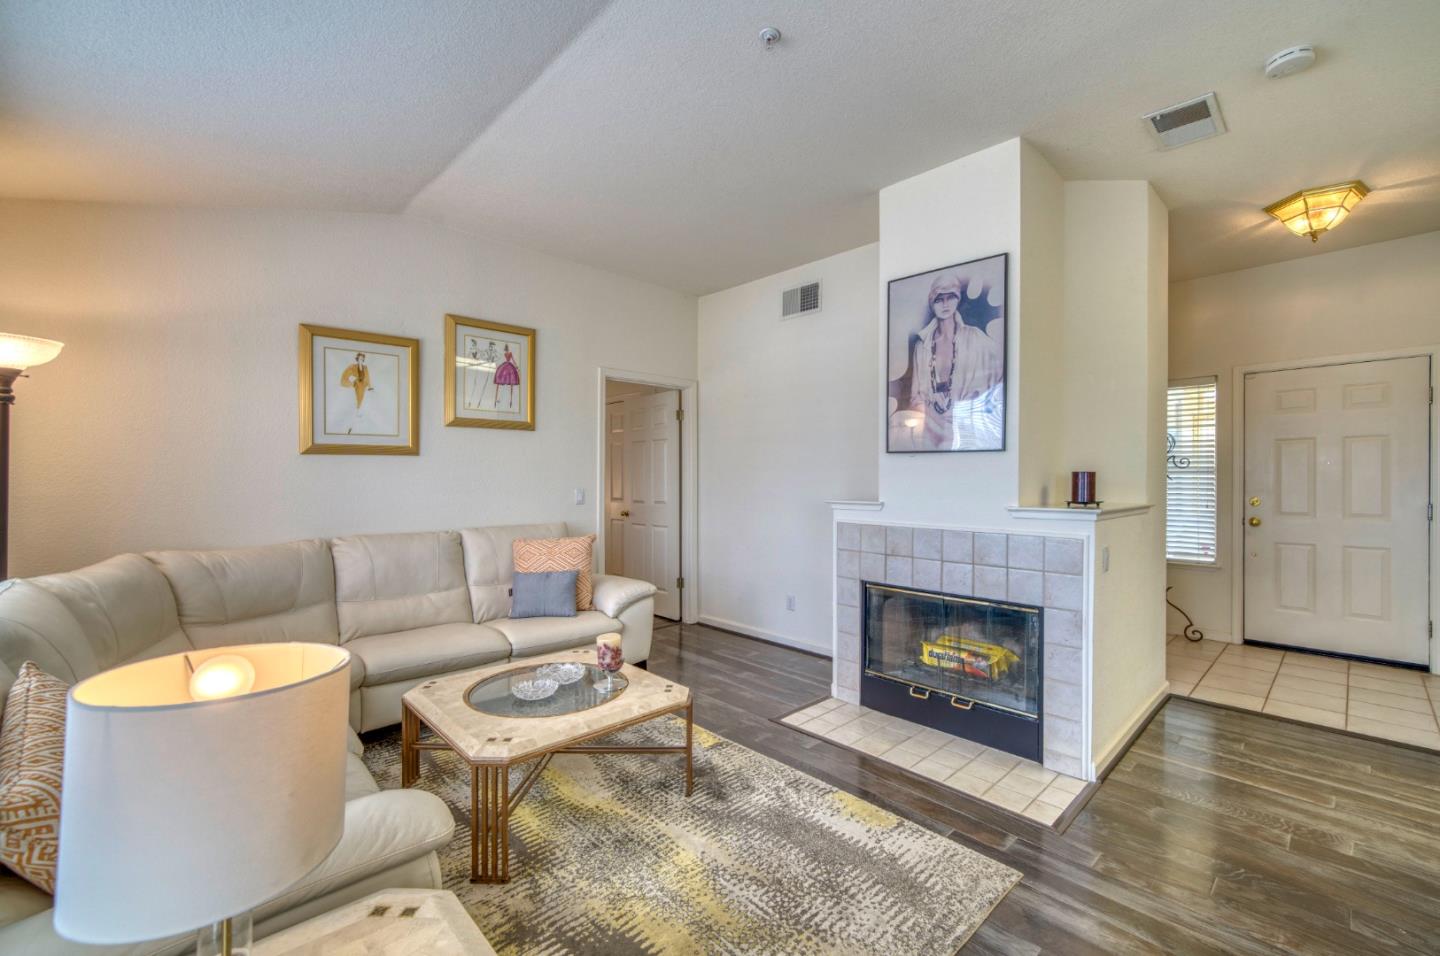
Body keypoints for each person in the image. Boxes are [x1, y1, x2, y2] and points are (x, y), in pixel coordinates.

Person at [903, 273, 1004, 450]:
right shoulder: (923, 346)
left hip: (966, 430)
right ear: (932, 303)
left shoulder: (975, 338)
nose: (945, 304)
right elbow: (916, 394)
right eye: (939, 299)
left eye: (951, 297)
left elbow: (1001, 373)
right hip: (929, 430)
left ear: (957, 300)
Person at [338, 352, 374, 434]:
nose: (361, 360)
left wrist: (370, 386)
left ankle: (356, 425)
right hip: (356, 386)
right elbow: (344, 376)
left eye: (362, 359)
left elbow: (368, 377)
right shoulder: (352, 366)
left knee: (362, 405)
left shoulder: (365, 367)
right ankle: (350, 426)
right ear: (357, 359)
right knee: (356, 404)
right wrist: (351, 383)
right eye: (359, 358)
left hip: (364, 386)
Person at [493, 344, 521, 409]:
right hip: (508, 365)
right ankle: (506, 401)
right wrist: (516, 367)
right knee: (508, 380)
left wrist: (516, 367)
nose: (506, 350)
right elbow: (513, 360)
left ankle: (509, 401)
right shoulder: (507, 353)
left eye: (506, 349)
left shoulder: (506, 353)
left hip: (506, 365)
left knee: (508, 379)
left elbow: (512, 360)